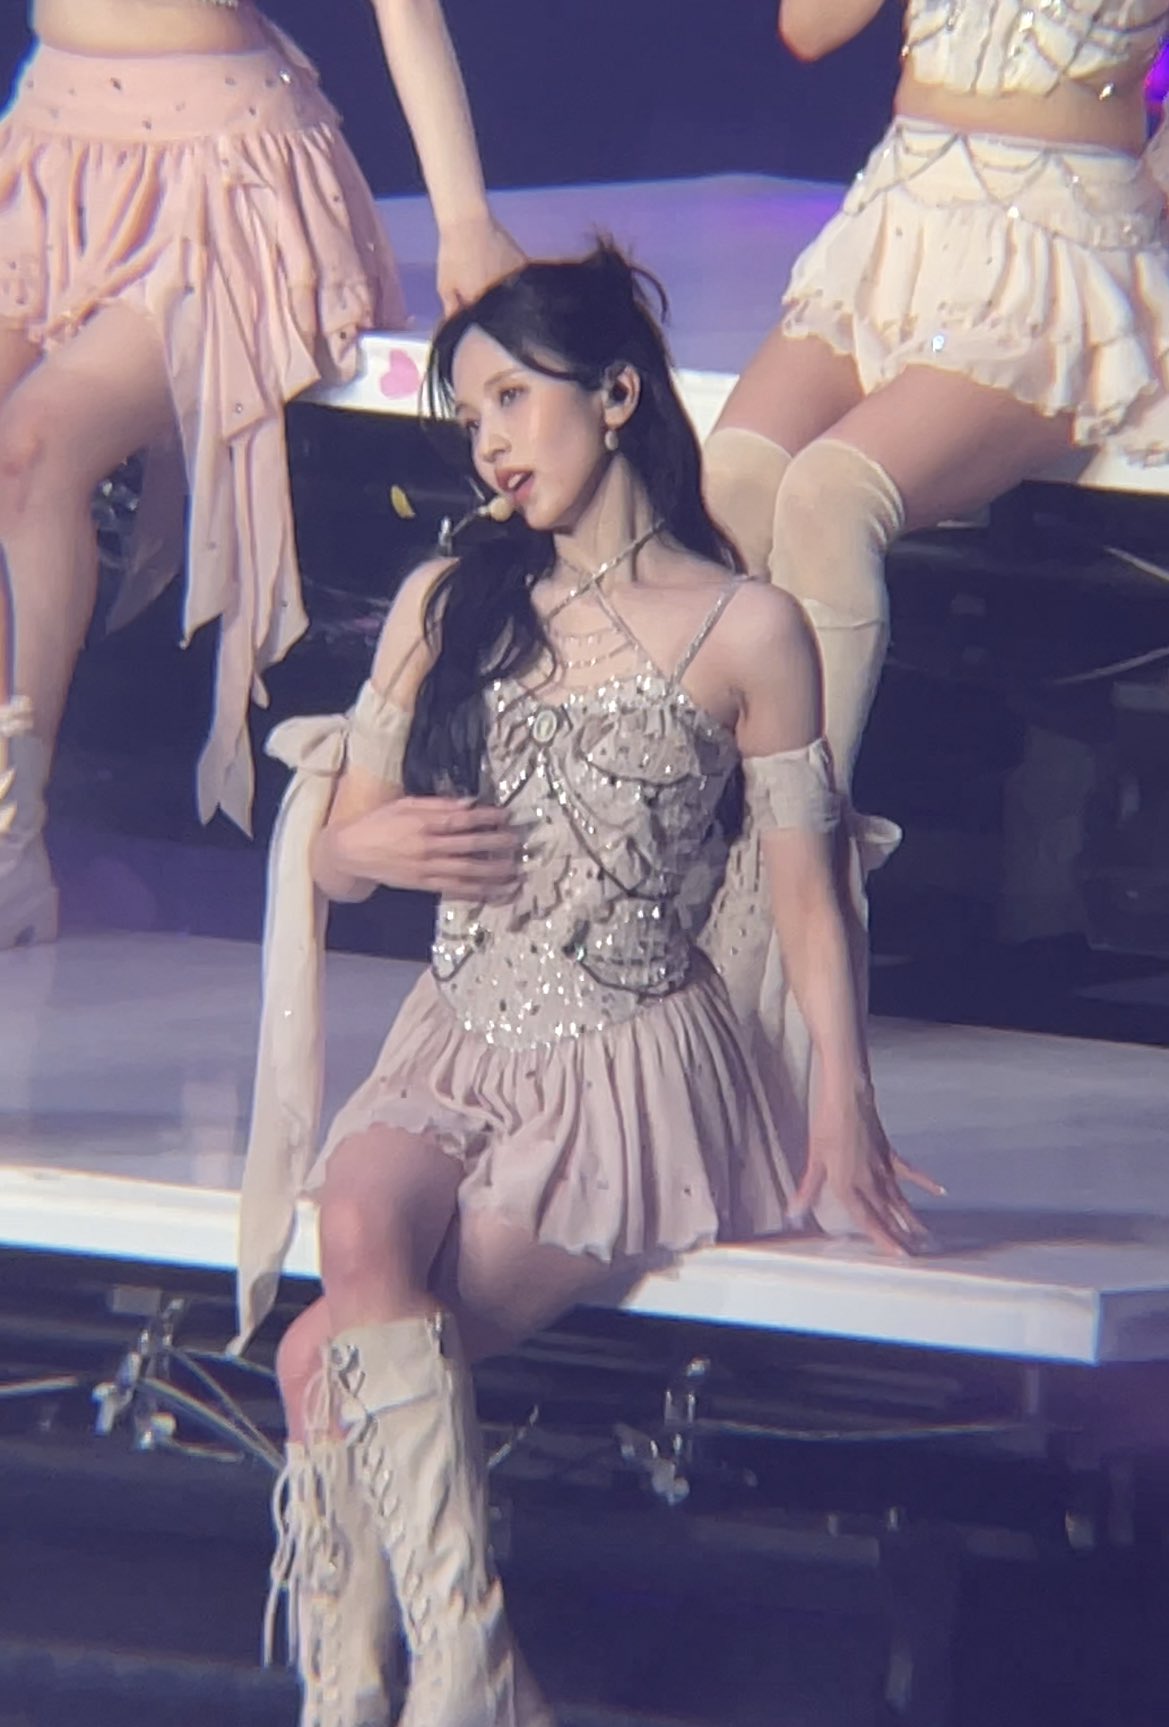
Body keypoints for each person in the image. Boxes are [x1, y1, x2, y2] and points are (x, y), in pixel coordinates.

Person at [232, 244, 937, 1727]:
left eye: (510, 397)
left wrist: (841, 1100)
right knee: (355, 1220)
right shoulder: (449, 599)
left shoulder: (748, 626)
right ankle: (469, 1681)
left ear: (616, 394)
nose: (487, 441)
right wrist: (365, 840)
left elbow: (804, 892)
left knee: (316, 1355)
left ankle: (392, 1692)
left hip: (625, 1063)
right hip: (454, 1032)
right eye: (467, 414)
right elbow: (342, 856)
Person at [0, 0, 523, 950]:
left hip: (218, 180)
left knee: (27, 448)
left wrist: (464, 221)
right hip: (51, 153)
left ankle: (10, 832)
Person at [704, 0, 1169, 819]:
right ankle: (684, 832)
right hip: (897, 222)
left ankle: (793, 858)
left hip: (1057, 246)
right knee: (729, 483)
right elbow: (807, 29)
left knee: (830, 495)